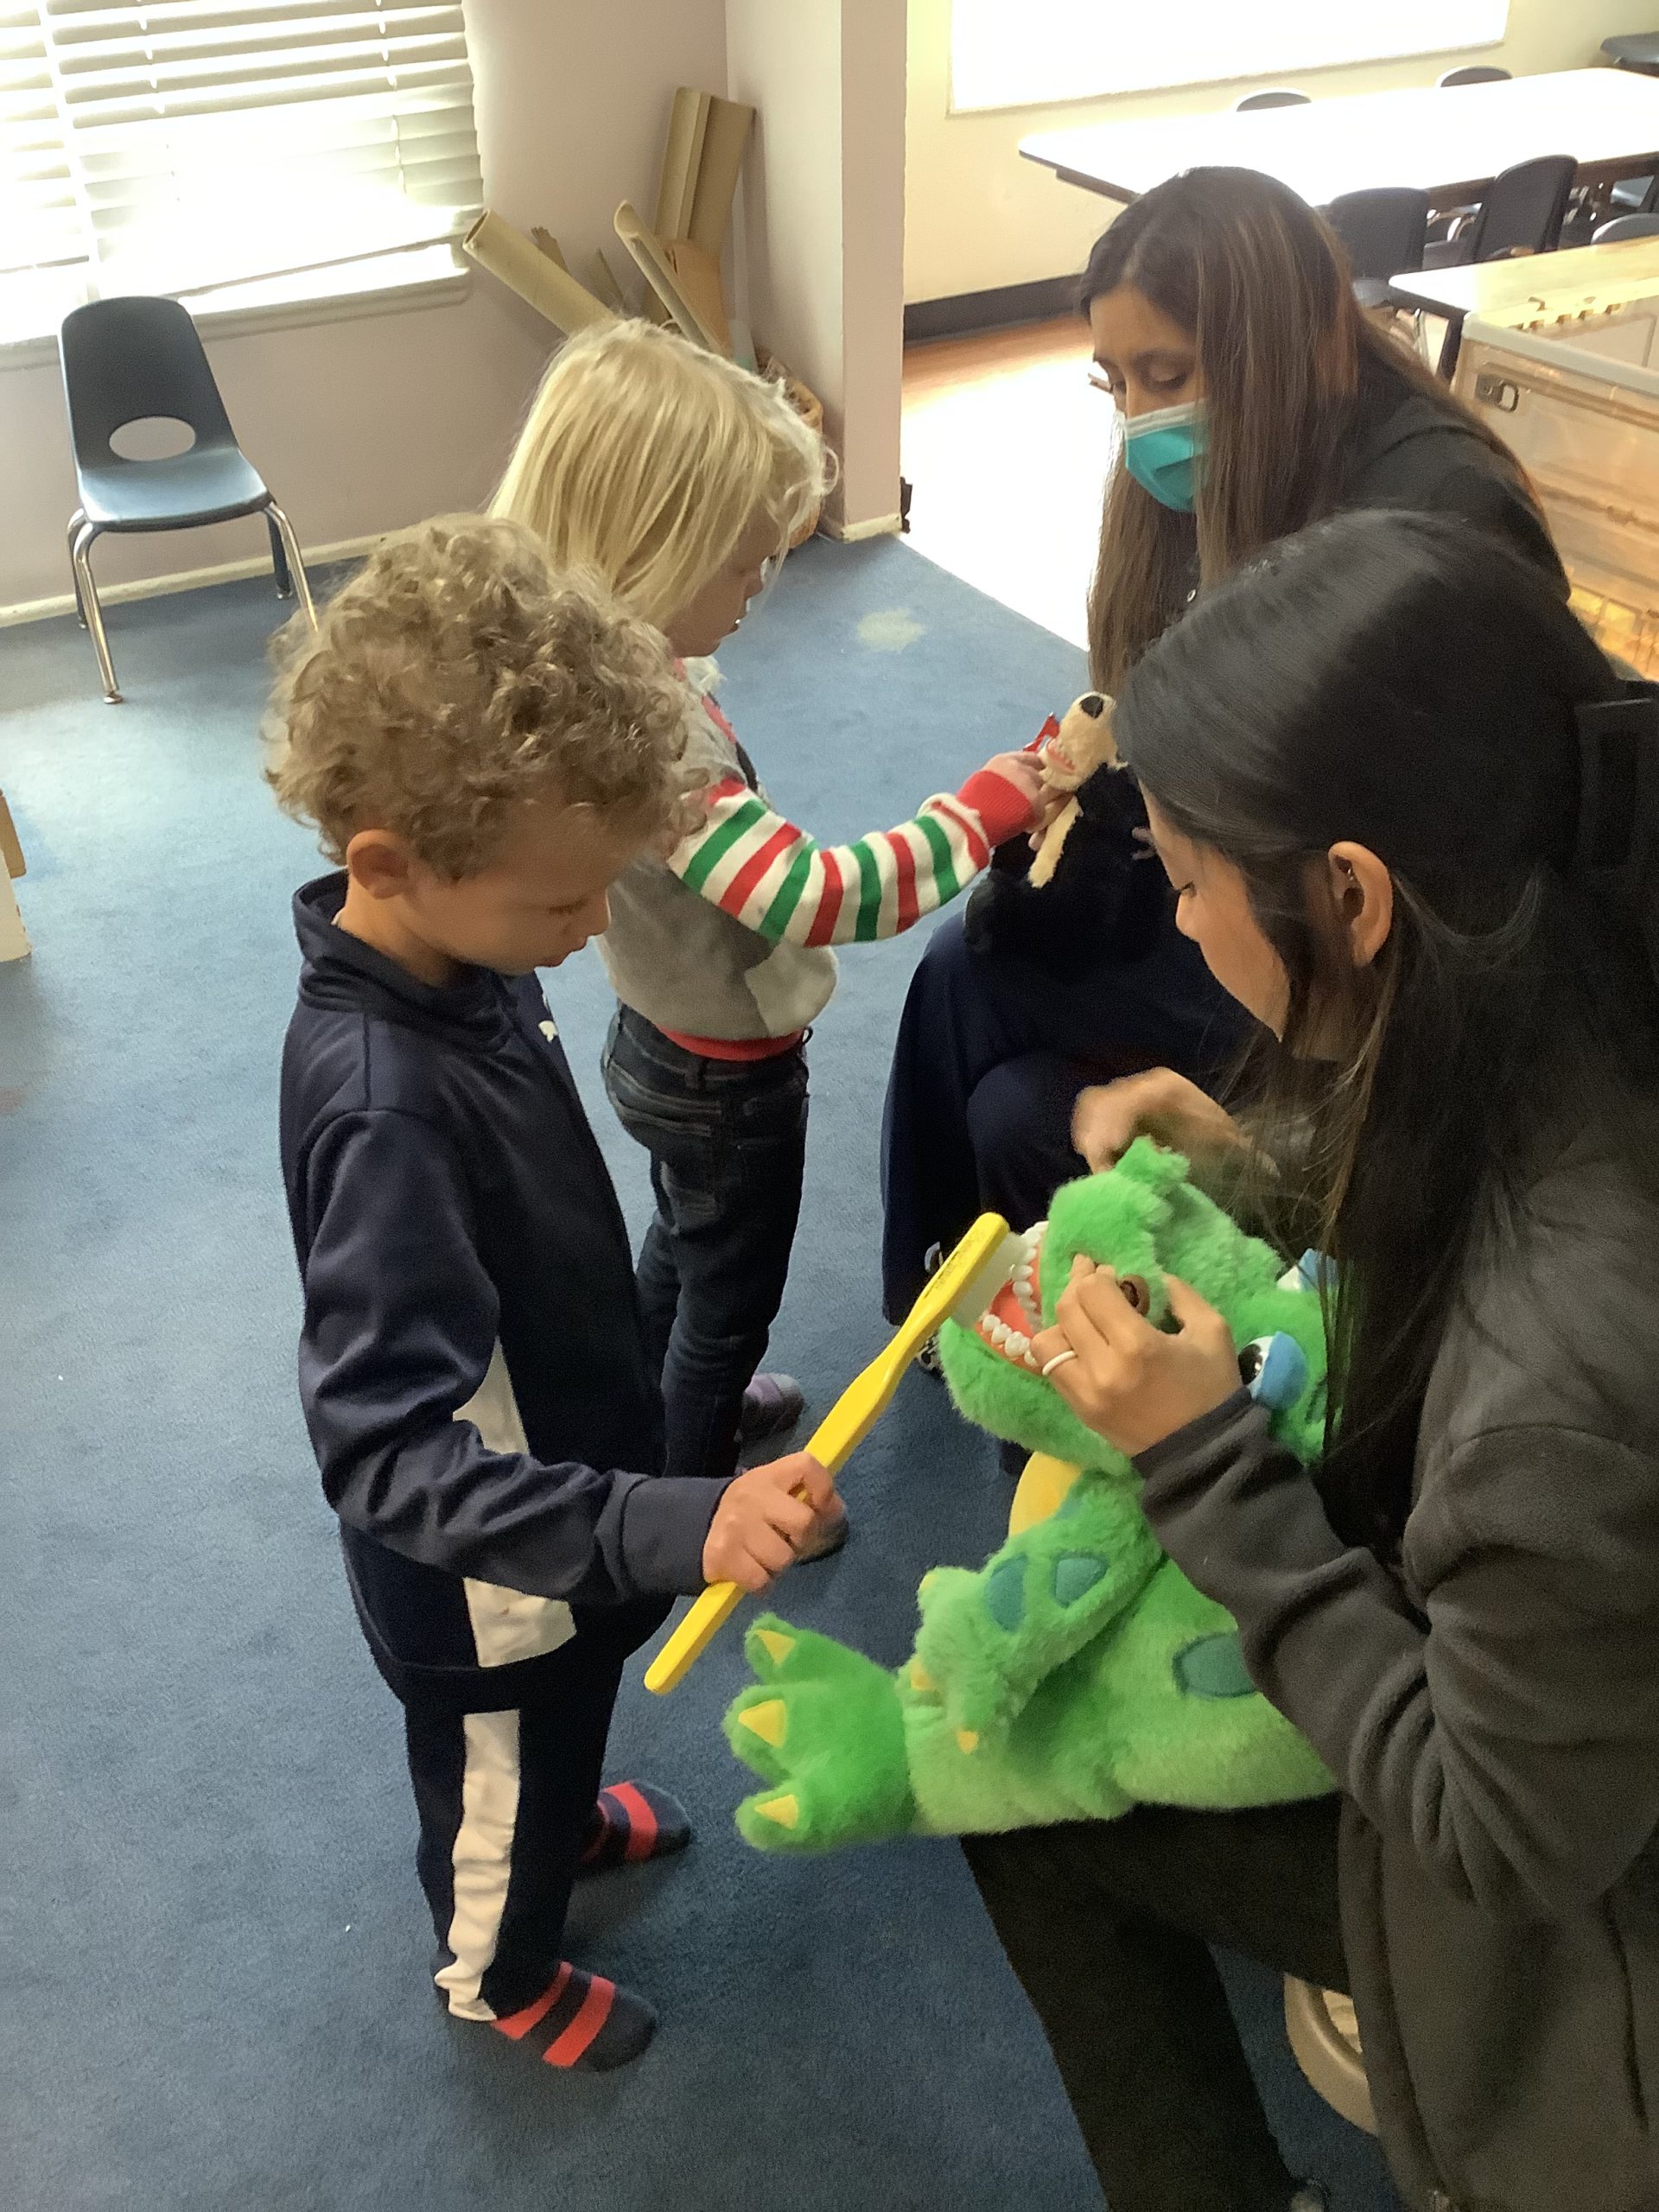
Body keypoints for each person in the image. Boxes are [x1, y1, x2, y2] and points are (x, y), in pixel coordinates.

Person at [963, 509, 1659, 2212]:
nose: (1186, 925)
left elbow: (1502, 1835)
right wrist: (1257, 1160)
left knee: (1014, 1774)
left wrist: (1210, 1469)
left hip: (1578, 1943)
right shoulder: (1584, 982)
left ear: (1347, 891)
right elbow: (1468, 1178)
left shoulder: (1557, 1373)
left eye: (1191, 880)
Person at [270, 518, 834, 2073]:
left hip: (561, 1499)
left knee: (559, 1733)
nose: (591, 935)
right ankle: (496, 1974)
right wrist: (661, 1519)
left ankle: (567, 1821)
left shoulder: (457, 962)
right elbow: (383, 1454)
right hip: (486, 1587)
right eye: (559, 906)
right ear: (389, 862)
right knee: (496, 1771)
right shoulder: (382, 1103)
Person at [880, 165, 1567, 1325]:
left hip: (1349, 953)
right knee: (968, 967)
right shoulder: (1243, 464)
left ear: (1274, 346)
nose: (1141, 417)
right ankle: (949, 1308)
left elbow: (1416, 906)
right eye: (1116, 383)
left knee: (1015, 1102)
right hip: (1241, 883)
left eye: (1167, 374)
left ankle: (1037, 1342)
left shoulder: (1431, 522)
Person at [493, 320, 1043, 1488]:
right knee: (730, 1296)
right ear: (649, 548)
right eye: (741, 564)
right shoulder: (660, 743)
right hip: (725, 1078)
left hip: (652, 1035)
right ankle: (696, 1492)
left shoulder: (587, 670)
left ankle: (652, 1401)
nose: (761, 590)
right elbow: (813, 892)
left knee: (680, 1243)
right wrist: (984, 811)